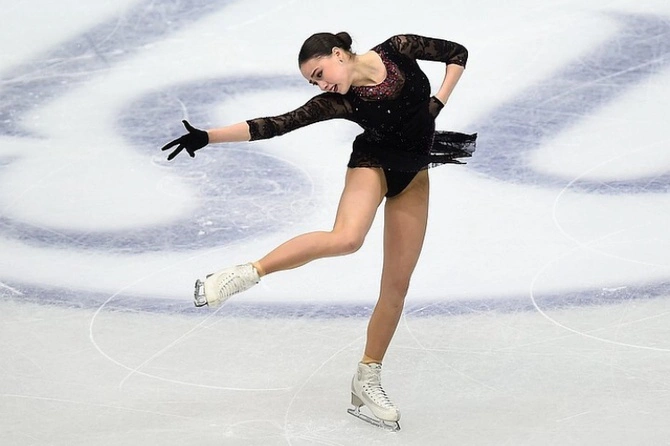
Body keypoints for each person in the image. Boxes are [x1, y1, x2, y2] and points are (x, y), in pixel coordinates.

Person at [160, 31, 475, 431]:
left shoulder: (399, 48)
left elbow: (457, 53)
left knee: (396, 286)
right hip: (373, 164)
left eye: (320, 73)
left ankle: (367, 378)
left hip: (413, 172)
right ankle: (244, 274)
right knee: (347, 238)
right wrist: (209, 136)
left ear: (339, 54)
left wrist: (439, 101)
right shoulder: (340, 101)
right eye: (313, 82)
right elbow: (276, 124)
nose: (320, 84)